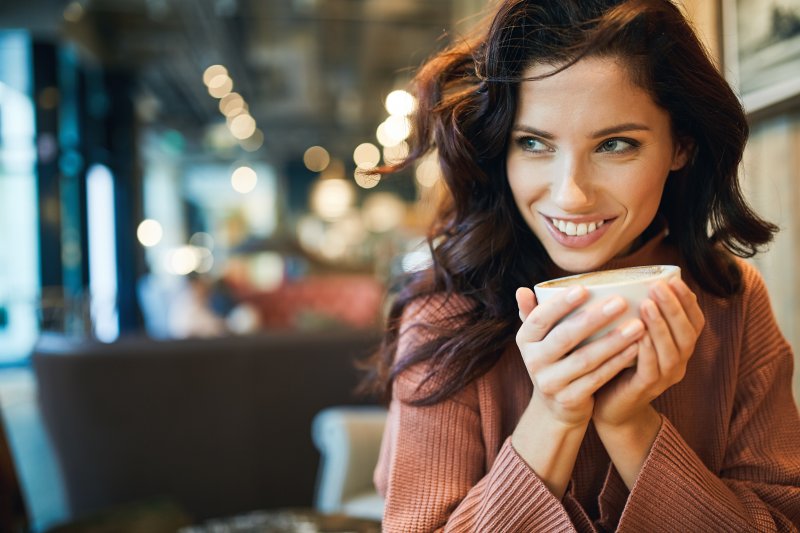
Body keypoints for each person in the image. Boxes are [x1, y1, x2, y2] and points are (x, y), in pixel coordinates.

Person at [361, 0, 800, 531]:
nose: (571, 195)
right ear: (501, 149)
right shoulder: (445, 309)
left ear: (680, 144)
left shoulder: (731, 298)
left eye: (616, 144)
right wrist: (555, 416)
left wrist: (631, 425)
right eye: (534, 144)